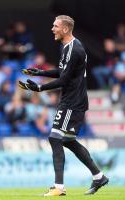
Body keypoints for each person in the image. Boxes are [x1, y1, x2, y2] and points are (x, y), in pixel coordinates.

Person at [18, 15, 108, 196]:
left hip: (72, 102)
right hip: (72, 100)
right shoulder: (68, 47)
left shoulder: (74, 49)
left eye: (55, 26)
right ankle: (99, 176)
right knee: (67, 140)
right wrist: (41, 72)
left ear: (65, 29)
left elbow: (65, 79)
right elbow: (63, 71)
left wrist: (40, 88)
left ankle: (59, 187)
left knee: (55, 138)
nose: (52, 28)